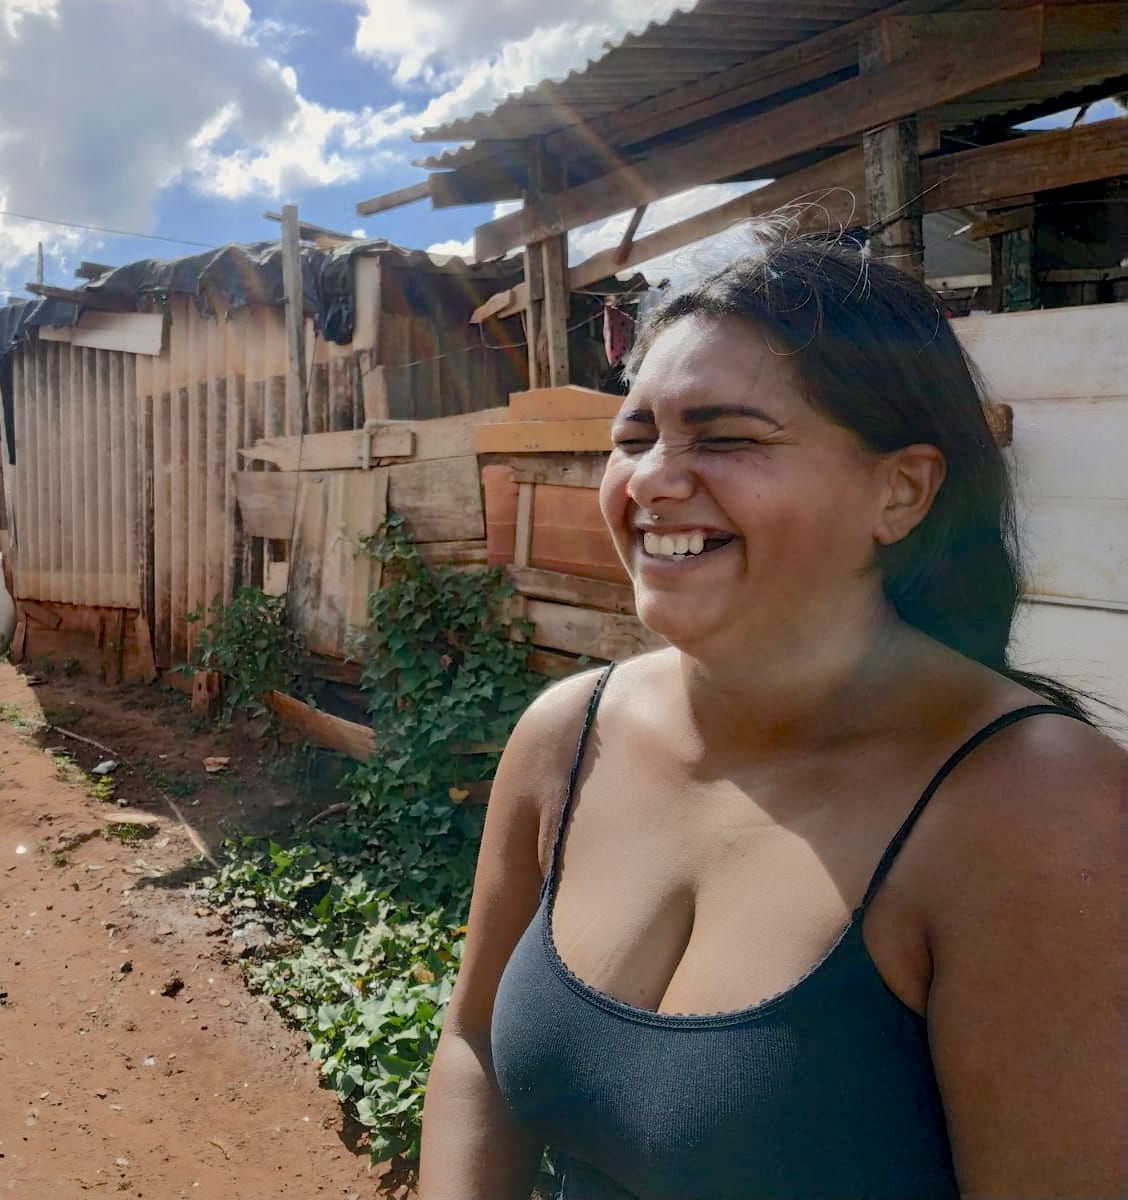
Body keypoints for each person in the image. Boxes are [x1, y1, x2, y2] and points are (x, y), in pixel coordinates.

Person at [419, 235, 1125, 1199]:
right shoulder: (565, 735)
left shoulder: (1037, 811)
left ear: (901, 490)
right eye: (634, 439)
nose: (653, 480)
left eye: (727, 436)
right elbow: (473, 1048)